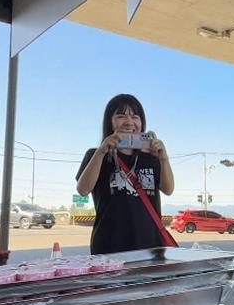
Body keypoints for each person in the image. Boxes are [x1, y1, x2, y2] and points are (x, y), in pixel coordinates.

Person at [75, 94, 175, 254]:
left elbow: (168, 189)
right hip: (109, 248)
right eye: (121, 116)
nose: (129, 122)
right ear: (109, 122)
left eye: (135, 117)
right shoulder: (95, 155)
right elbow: (83, 189)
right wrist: (102, 151)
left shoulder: (152, 158)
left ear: (142, 123)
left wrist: (163, 158)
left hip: (151, 248)